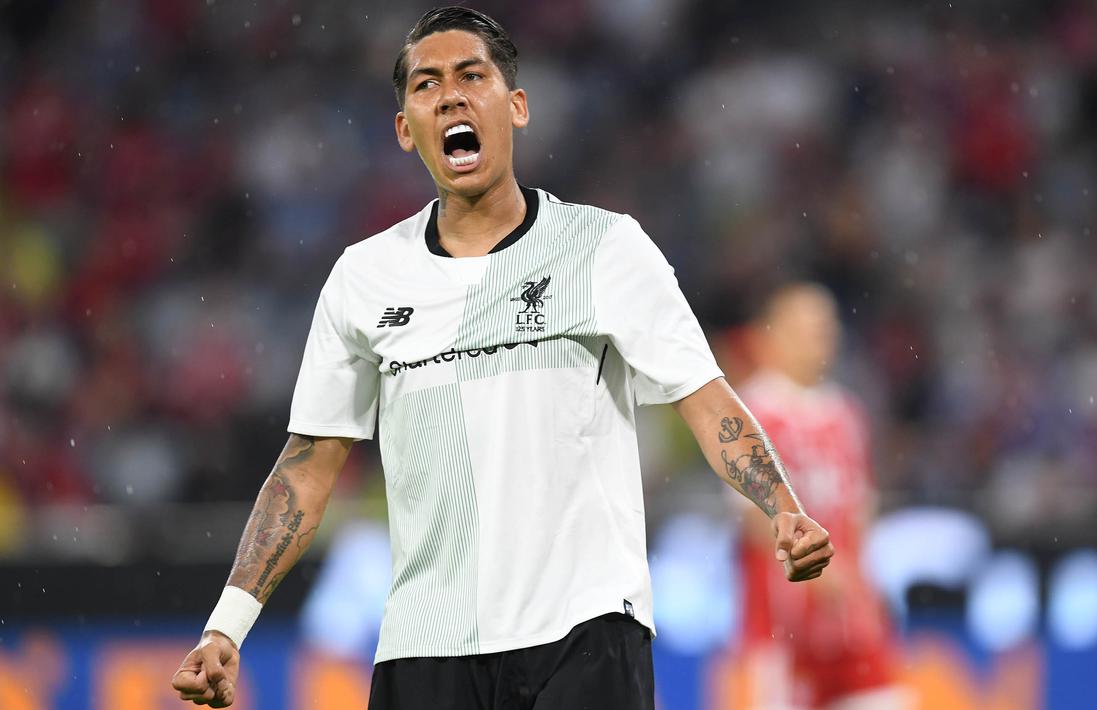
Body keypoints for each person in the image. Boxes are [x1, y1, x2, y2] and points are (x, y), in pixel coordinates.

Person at [170, 7, 833, 709]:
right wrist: (227, 627)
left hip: (584, 631)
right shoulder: (363, 279)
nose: (451, 95)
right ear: (404, 130)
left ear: (515, 107)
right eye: (426, 85)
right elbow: (306, 470)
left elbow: (704, 400)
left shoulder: (605, 248)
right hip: (425, 649)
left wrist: (781, 507)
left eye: (471, 76)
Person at [720, 283, 906, 710]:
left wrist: (864, 585)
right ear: (773, 335)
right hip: (781, 625)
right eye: (806, 327)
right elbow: (750, 516)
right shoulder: (751, 411)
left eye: (825, 326)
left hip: (849, 623)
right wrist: (815, 569)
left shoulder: (846, 413)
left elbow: (859, 510)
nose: (820, 337)